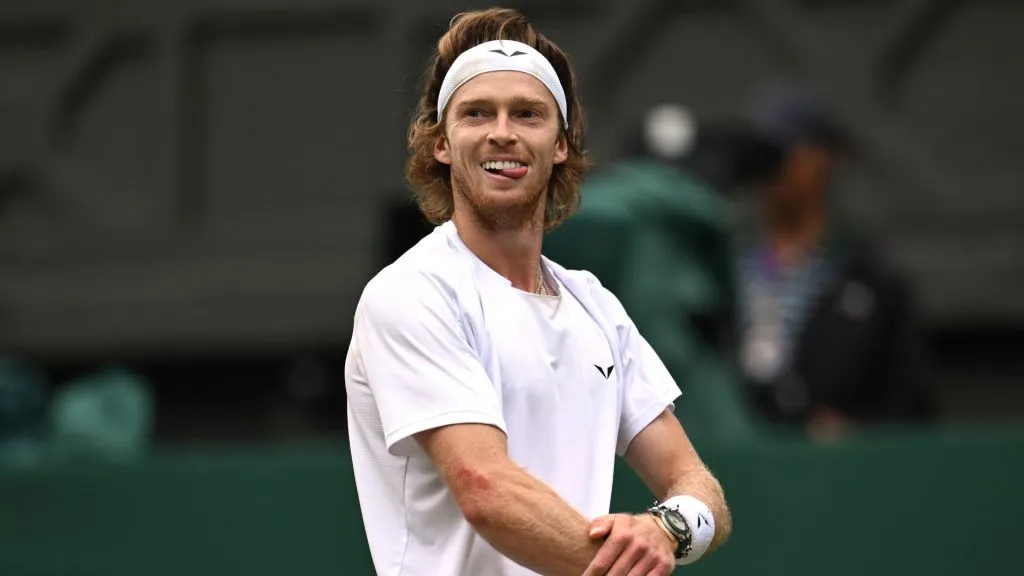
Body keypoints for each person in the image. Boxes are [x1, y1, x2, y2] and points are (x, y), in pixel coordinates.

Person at [345, 8, 731, 576]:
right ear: (442, 144)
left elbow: (699, 488)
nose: (503, 132)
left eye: (527, 114)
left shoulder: (596, 306)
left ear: (560, 145)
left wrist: (664, 529)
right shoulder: (409, 294)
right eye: (477, 113)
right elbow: (487, 491)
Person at [734, 82, 933, 439]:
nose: (771, 166)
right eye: (760, 152)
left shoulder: (871, 280)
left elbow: (912, 406)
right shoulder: (722, 266)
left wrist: (857, 431)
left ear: (824, 158)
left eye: (783, 150)